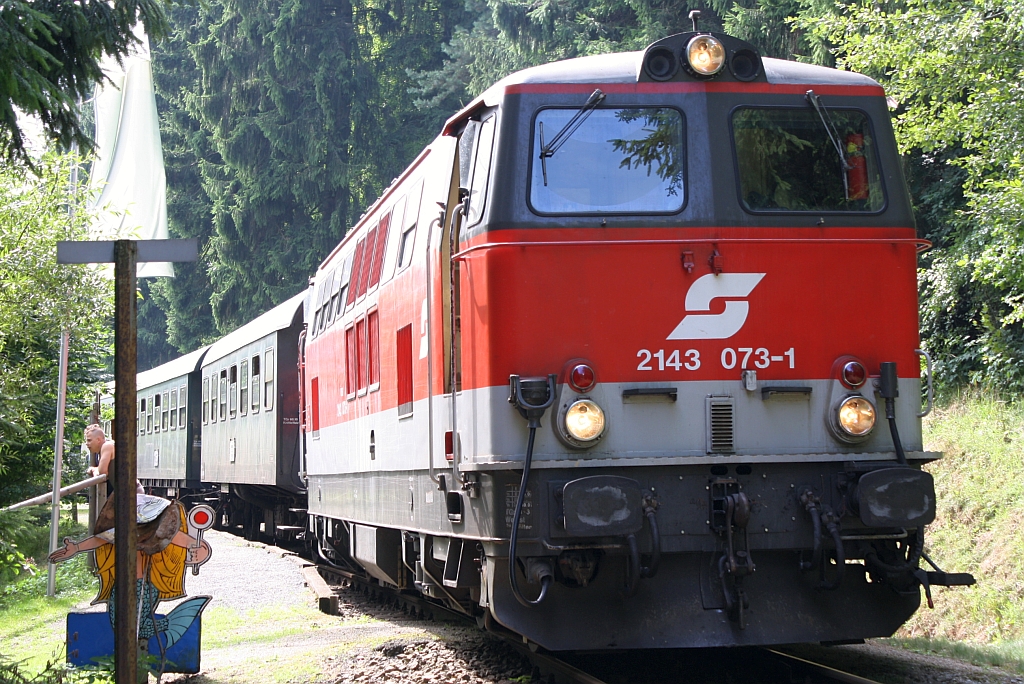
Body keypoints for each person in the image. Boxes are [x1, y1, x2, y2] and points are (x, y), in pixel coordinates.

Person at [85, 424, 143, 495]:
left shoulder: (107, 446)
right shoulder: (101, 450)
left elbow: (102, 473)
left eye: (89, 440)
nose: (86, 444)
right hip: (124, 492)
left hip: (133, 492)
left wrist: (93, 470)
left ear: (98, 440)